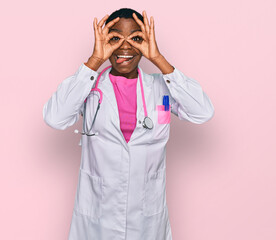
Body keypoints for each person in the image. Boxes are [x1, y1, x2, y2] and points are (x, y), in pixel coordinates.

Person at [43, 8, 214, 240]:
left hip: (146, 219)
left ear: (147, 43)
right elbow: (55, 117)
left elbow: (202, 111)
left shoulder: (160, 87)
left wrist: (159, 59)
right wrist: (94, 61)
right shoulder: (90, 86)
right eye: (114, 39)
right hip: (98, 218)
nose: (124, 47)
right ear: (104, 42)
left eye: (136, 39)